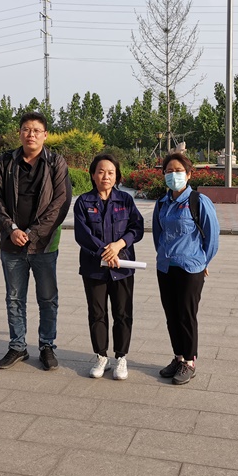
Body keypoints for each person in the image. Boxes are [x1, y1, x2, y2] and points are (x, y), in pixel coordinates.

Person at [0, 112, 72, 371]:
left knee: (47, 298)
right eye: (26, 129)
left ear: (45, 135)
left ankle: (47, 346)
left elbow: (61, 202)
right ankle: (18, 346)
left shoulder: (56, 163)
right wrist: (11, 229)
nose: (31, 134)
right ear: (20, 133)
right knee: (14, 298)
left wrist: (33, 233)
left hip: (45, 244)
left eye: (36, 130)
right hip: (11, 243)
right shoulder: (6, 161)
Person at [73, 154, 144, 380]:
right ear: (93, 175)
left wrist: (119, 245)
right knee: (97, 313)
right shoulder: (83, 202)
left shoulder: (125, 200)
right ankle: (101, 356)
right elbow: (82, 234)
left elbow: (137, 228)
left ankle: (121, 357)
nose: (106, 176)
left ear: (117, 176)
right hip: (94, 268)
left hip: (122, 266)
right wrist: (106, 251)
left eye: (111, 172)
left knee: (122, 313)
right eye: (101, 172)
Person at [152, 152, 219, 385]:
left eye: (179, 171)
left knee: (186, 315)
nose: (174, 175)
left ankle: (189, 361)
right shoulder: (162, 203)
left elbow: (212, 237)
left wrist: (203, 262)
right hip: (165, 267)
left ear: (189, 174)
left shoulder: (198, 201)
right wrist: (163, 257)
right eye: (169, 171)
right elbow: (158, 235)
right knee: (171, 315)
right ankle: (178, 357)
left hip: (190, 268)